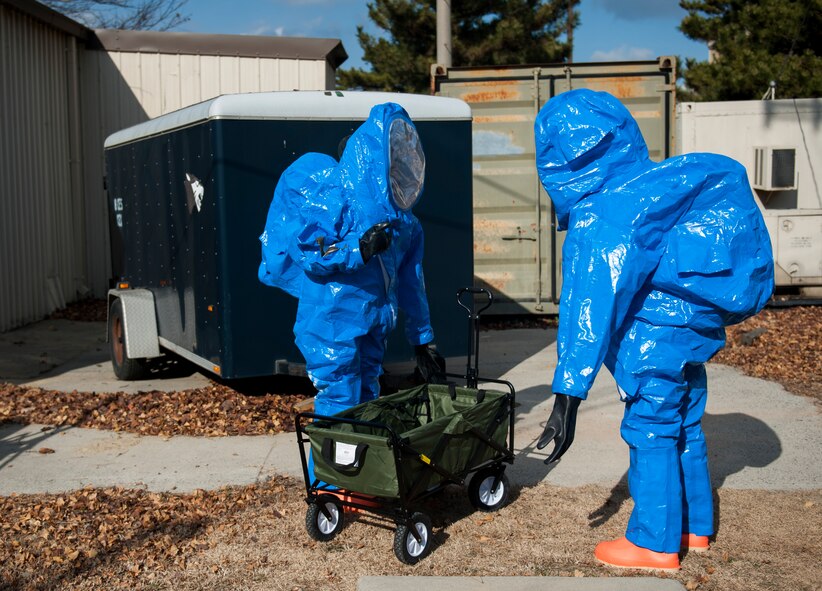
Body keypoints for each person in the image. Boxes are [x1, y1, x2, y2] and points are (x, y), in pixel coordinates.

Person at [533, 89, 774, 570]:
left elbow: (589, 308)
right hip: (690, 333)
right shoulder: (658, 186)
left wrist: (567, 396)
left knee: (651, 430)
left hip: (651, 342)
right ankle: (693, 526)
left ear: (557, 159)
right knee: (685, 424)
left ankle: (653, 543)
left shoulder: (601, 213)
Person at [258, 102, 442, 425]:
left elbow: (412, 281)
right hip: (331, 321)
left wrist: (423, 340)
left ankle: (360, 471)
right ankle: (331, 476)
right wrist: (360, 249)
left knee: (368, 395)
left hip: (374, 321)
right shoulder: (335, 196)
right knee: (339, 400)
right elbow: (310, 252)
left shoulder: (404, 224)